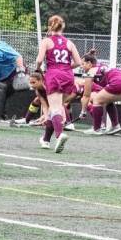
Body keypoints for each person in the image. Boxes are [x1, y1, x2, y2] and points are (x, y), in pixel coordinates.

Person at [35, 15, 83, 153]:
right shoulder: (70, 43)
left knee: (55, 108)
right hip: (68, 76)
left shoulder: (46, 41)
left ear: (50, 26)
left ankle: (59, 134)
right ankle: (45, 140)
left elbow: (39, 60)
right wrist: (67, 67)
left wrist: (38, 68)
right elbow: (79, 62)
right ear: (63, 27)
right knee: (54, 108)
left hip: (53, 75)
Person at [79, 50, 121, 135]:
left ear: (89, 63)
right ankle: (115, 126)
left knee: (96, 100)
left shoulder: (91, 71)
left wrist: (83, 111)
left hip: (119, 83)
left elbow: (86, 95)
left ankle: (97, 129)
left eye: (83, 64)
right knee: (107, 100)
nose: (81, 67)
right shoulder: (101, 66)